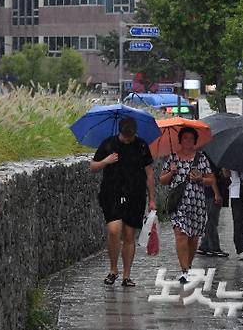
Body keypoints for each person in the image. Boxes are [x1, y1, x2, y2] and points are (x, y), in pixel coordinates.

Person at [90, 116, 156, 288]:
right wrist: (106, 161)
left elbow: (149, 173)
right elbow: (93, 167)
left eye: (130, 135)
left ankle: (127, 275)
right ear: (120, 131)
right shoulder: (108, 144)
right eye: (125, 135)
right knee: (114, 230)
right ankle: (113, 270)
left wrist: (152, 199)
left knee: (128, 235)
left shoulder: (141, 146)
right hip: (111, 193)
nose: (128, 138)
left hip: (135, 194)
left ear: (135, 132)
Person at [160, 127, 219, 284]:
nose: (188, 141)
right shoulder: (172, 158)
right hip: (179, 204)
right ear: (180, 140)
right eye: (185, 138)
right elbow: (162, 180)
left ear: (195, 141)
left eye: (191, 139)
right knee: (180, 234)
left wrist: (200, 178)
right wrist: (172, 172)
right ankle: (185, 271)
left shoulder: (201, 158)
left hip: (197, 204)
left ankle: (189, 265)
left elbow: (211, 179)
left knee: (193, 238)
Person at [197, 155, 231, 258]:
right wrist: (216, 193)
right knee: (213, 220)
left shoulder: (207, 156)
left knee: (211, 219)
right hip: (211, 192)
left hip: (209, 191)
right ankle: (214, 248)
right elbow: (211, 177)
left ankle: (204, 245)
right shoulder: (210, 157)